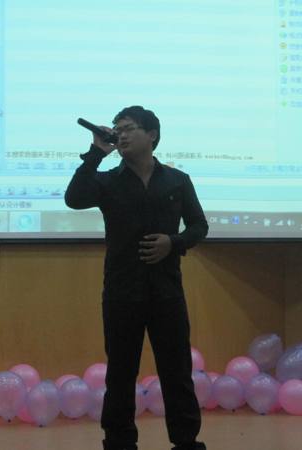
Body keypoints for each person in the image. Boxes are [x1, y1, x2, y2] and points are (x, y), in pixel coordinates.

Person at [65, 106, 208, 450]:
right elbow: (74, 198)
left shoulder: (177, 180)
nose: (121, 134)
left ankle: (186, 442)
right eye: (117, 129)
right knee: (120, 373)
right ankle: (119, 442)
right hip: (121, 292)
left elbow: (199, 226)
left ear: (152, 135)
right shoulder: (107, 181)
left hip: (167, 292)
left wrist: (172, 243)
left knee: (177, 372)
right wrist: (96, 153)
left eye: (128, 128)